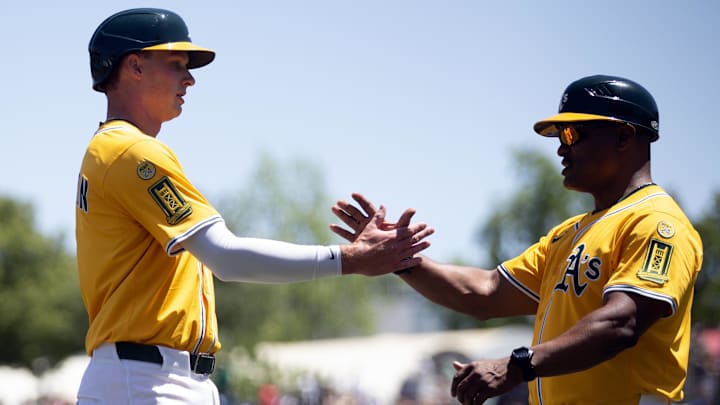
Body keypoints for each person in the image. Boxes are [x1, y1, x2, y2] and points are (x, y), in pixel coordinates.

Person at [74, 8, 434, 404]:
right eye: (176, 64)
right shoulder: (130, 149)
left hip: (149, 377)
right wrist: (348, 258)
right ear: (135, 66)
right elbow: (225, 257)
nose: (189, 79)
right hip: (145, 381)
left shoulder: (114, 148)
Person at [331, 74, 703, 405]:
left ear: (624, 136)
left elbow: (622, 323)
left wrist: (517, 364)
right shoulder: (569, 234)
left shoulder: (656, 222)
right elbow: (487, 292)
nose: (561, 148)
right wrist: (398, 258)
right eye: (559, 136)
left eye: (573, 134)